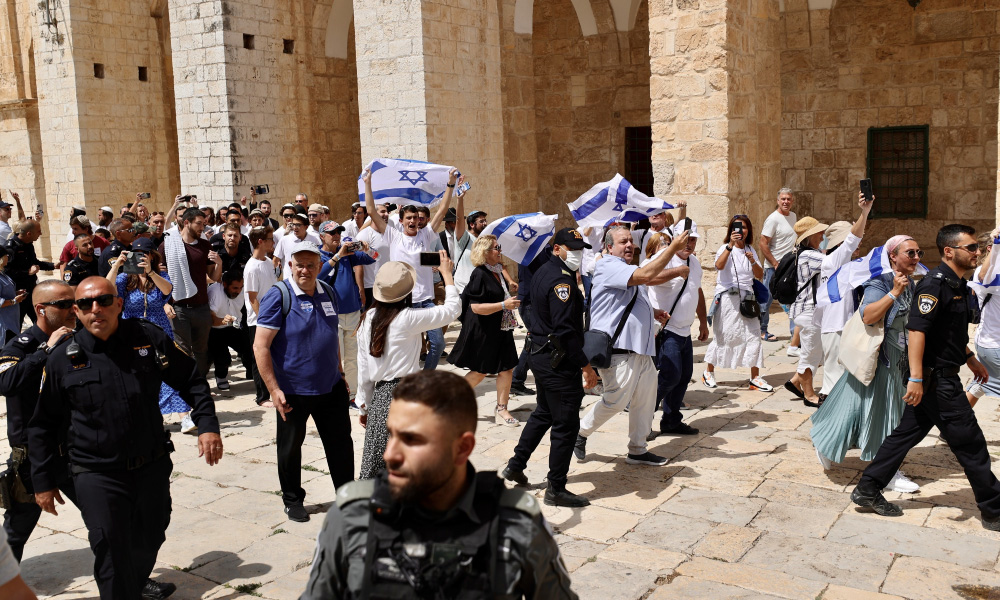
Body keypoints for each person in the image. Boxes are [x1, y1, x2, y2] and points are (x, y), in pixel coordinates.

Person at [300, 370, 579, 600]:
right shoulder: (353, 516)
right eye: (391, 435)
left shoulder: (516, 526)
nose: (390, 455)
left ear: (462, 448)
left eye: (412, 440)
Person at [29, 276, 223, 600]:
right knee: (111, 550)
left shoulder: (147, 338)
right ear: (76, 311)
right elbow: (42, 425)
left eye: (105, 300)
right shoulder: (62, 359)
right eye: (87, 303)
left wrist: (207, 425)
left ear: (118, 304)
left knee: (150, 535)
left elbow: (191, 380)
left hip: (151, 465)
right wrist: (42, 480)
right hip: (97, 473)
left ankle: (132, 587)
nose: (97, 309)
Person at [849, 225, 1000, 531]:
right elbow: (917, 331)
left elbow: (948, 334)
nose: (977, 252)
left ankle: (867, 488)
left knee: (907, 434)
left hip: (941, 375)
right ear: (949, 251)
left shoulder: (957, 284)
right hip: (937, 381)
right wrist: (916, 379)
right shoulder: (935, 285)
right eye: (970, 248)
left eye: (977, 247)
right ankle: (994, 509)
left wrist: (970, 358)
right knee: (970, 444)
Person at [811, 235, 922, 493]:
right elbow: (868, 316)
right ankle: (888, 471)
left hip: (899, 360)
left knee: (855, 406)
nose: (916, 258)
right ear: (893, 256)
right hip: (881, 357)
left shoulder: (914, 285)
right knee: (888, 415)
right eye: (910, 253)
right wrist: (894, 292)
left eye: (919, 253)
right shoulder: (880, 281)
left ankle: (827, 441)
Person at [253, 243, 353, 522]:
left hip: (330, 386)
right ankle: (292, 500)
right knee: (290, 447)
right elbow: (261, 346)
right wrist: (273, 389)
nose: (305, 270)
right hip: (293, 390)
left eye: (310, 265)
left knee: (341, 445)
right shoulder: (279, 296)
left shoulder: (328, 292)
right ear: (290, 266)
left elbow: (331, 336)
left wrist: (341, 372)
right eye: (299, 265)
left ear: (319, 267)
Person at [574, 227, 689, 467]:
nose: (629, 245)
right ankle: (580, 432)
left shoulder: (625, 270)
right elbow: (647, 276)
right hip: (619, 350)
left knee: (645, 401)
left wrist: (653, 311)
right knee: (615, 401)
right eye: (622, 241)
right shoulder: (608, 265)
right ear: (609, 247)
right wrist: (674, 250)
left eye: (630, 241)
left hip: (641, 349)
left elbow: (640, 288)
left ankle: (637, 449)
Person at [503, 229, 597, 507]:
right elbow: (566, 331)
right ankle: (556, 487)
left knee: (543, 412)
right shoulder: (561, 281)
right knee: (566, 424)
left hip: (541, 355)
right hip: (559, 360)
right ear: (557, 249)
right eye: (572, 248)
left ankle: (516, 464)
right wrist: (586, 366)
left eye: (581, 248)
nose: (578, 254)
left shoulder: (545, 269)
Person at [355, 257, 461, 479]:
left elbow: (364, 370)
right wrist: (447, 275)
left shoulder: (367, 319)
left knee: (378, 464)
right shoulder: (408, 318)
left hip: (382, 398)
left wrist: (365, 406)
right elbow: (452, 310)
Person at [0, 281, 77, 562]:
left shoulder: (77, 339)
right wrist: (46, 349)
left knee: (108, 516)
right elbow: (6, 381)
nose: (74, 309)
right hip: (32, 456)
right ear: (41, 310)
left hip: (73, 449)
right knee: (17, 529)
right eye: (65, 304)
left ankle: (134, 580)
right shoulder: (21, 345)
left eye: (75, 302)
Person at [362, 168, 457, 370]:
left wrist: (450, 184)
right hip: (404, 303)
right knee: (411, 346)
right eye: (409, 218)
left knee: (438, 343)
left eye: (416, 217)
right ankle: (410, 379)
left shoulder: (427, 235)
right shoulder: (393, 236)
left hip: (426, 301)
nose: (413, 221)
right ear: (402, 220)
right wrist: (368, 184)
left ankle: (426, 376)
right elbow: (371, 211)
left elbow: (442, 210)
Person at [106, 237, 196, 437]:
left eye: (145, 254)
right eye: (136, 254)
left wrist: (151, 272)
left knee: (168, 371)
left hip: (160, 331)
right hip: (133, 332)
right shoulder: (125, 279)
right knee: (140, 374)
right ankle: (150, 414)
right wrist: (118, 266)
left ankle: (184, 416)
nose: (140, 258)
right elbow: (107, 288)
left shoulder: (160, 275)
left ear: (152, 256)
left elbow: (167, 290)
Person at [447, 235, 522, 426]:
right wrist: (504, 305)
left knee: (506, 369)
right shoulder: (479, 274)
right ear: (485, 252)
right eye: (496, 248)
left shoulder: (497, 271)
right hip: (484, 329)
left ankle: (502, 408)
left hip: (501, 327)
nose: (500, 251)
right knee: (481, 371)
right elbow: (476, 307)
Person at [645, 223, 708, 438]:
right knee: (670, 375)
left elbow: (697, 291)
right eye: (687, 239)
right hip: (667, 328)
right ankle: (643, 416)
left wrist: (703, 321)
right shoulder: (664, 257)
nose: (690, 244)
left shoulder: (695, 262)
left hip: (685, 329)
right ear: (676, 238)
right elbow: (647, 278)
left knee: (684, 376)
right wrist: (676, 272)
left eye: (693, 240)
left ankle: (671, 421)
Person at [702, 215, 773, 392]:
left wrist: (752, 260)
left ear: (749, 230)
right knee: (723, 335)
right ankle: (708, 372)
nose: (741, 231)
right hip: (727, 298)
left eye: (744, 228)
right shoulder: (724, 248)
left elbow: (759, 275)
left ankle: (755, 377)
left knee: (754, 335)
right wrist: (730, 246)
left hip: (748, 299)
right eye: (737, 227)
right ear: (731, 230)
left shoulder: (750, 249)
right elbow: (718, 266)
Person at [816, 192, 873, 400]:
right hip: (835, 326)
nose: (858, 244)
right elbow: (852, 241)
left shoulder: (845, 263)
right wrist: (864, 212)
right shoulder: (834, 261)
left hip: (841, 325)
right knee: (833, 380)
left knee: (839, 376)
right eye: (851, 241)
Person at [160, 207, 223, 377]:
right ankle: (186, 386)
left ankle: (200, 384)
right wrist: (164, 303)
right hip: (178, 307)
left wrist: (219, 263)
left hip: (201, 307)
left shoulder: (204, 245)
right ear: (186, 222)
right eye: (199, 223)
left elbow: (214, 277)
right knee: (182, 350)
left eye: (204, 223)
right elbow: (158, 279)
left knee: (202, 350)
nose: (202, 227)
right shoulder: (167, 245)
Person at [318, 222, 375, 403]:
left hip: (352, 312)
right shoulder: (318, 255)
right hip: (331, 315)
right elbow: (318, 275)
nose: (336, 236)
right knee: (336, 357)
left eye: (338, 233)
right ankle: (336, 393)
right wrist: (337, 256)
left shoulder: (349, 254)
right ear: (322, 236)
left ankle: (351, 395)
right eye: (332, 233)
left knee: (353, 357)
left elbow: (374, 257)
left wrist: (367, 248)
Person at [784, 216, 830, 407]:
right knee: (810, 354)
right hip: (809, 311)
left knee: (817, 352)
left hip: (806, 310)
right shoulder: (809, 255)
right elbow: (834, 263)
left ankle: (795, 382)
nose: (822, 236)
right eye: (819, 233)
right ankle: (809, 395)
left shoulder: (804, 253)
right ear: (810, 236)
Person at [243, 226, 278, 407]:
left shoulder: (267, 262)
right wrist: (263, 319)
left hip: (273, 317)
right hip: (259, 321)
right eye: (270, 239)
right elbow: (252, 297)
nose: (273, 242)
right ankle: (262, 396)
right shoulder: (251, 267)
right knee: (259, 358)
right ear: (260, 241)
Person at [759, 188, 799, 343]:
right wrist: (775, 263)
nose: (786, 202)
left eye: (788, 199)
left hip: (789, 267)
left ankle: (794, 334)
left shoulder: (793, 216)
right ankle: (762, 330)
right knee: (766, 299)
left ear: (792, 201)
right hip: (773, 268)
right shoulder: (773, 219)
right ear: (777, 201)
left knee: (791, 298)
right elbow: (763, 243)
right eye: (783, 199)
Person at [208, 270, 252, 392]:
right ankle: (221, 377)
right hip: (215, 329)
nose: (238, 291)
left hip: (233, 325)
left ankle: (251, 372)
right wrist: (223, 320)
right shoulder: (215, 291)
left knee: (249, 347)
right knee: (223, 357)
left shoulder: (242, 291)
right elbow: (211, 320)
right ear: (225, 284)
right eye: (235, 288)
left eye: (240, 287)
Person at [5, 220, 54, 325]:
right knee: (17, 324)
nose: (40, 234)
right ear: (29, 234)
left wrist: (53, 266)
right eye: (38, 231)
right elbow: (7, 271)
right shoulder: (11, 247)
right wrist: (27, 272)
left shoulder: (28, 244)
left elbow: (34, 263)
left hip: (31, 290)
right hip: (18, 293)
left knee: (41, 321)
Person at [355, 202, 389, 310]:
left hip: (389, 286)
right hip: (371, 288)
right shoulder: (364, 235)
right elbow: (358, 264)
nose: (386, 214)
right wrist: (361, 289)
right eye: (383, 211)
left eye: (387, 211)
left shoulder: (391, 233)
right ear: (373, 214)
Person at [274, 213, 320, 280]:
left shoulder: (315, 240)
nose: (295, 228)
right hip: (289, 282)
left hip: (308, 281)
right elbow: (275, 260)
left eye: (298, 225)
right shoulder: (284, 240)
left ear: (306, 227)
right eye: (293, 224)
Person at [454, 210, 487, 293]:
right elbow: (459, 220)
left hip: (479, 288)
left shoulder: (483, 241)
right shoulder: (464, 237)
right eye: (481, 221)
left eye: (485, 220)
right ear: (472, 224)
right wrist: (459, 199)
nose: (485, 224)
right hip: (463, 288)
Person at [0, 246, 27, 343]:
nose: (8, 258)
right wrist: (14, 300)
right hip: (4, 326)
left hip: (12, 322)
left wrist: (16, 293)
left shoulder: (2, 274)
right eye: (6, 256)